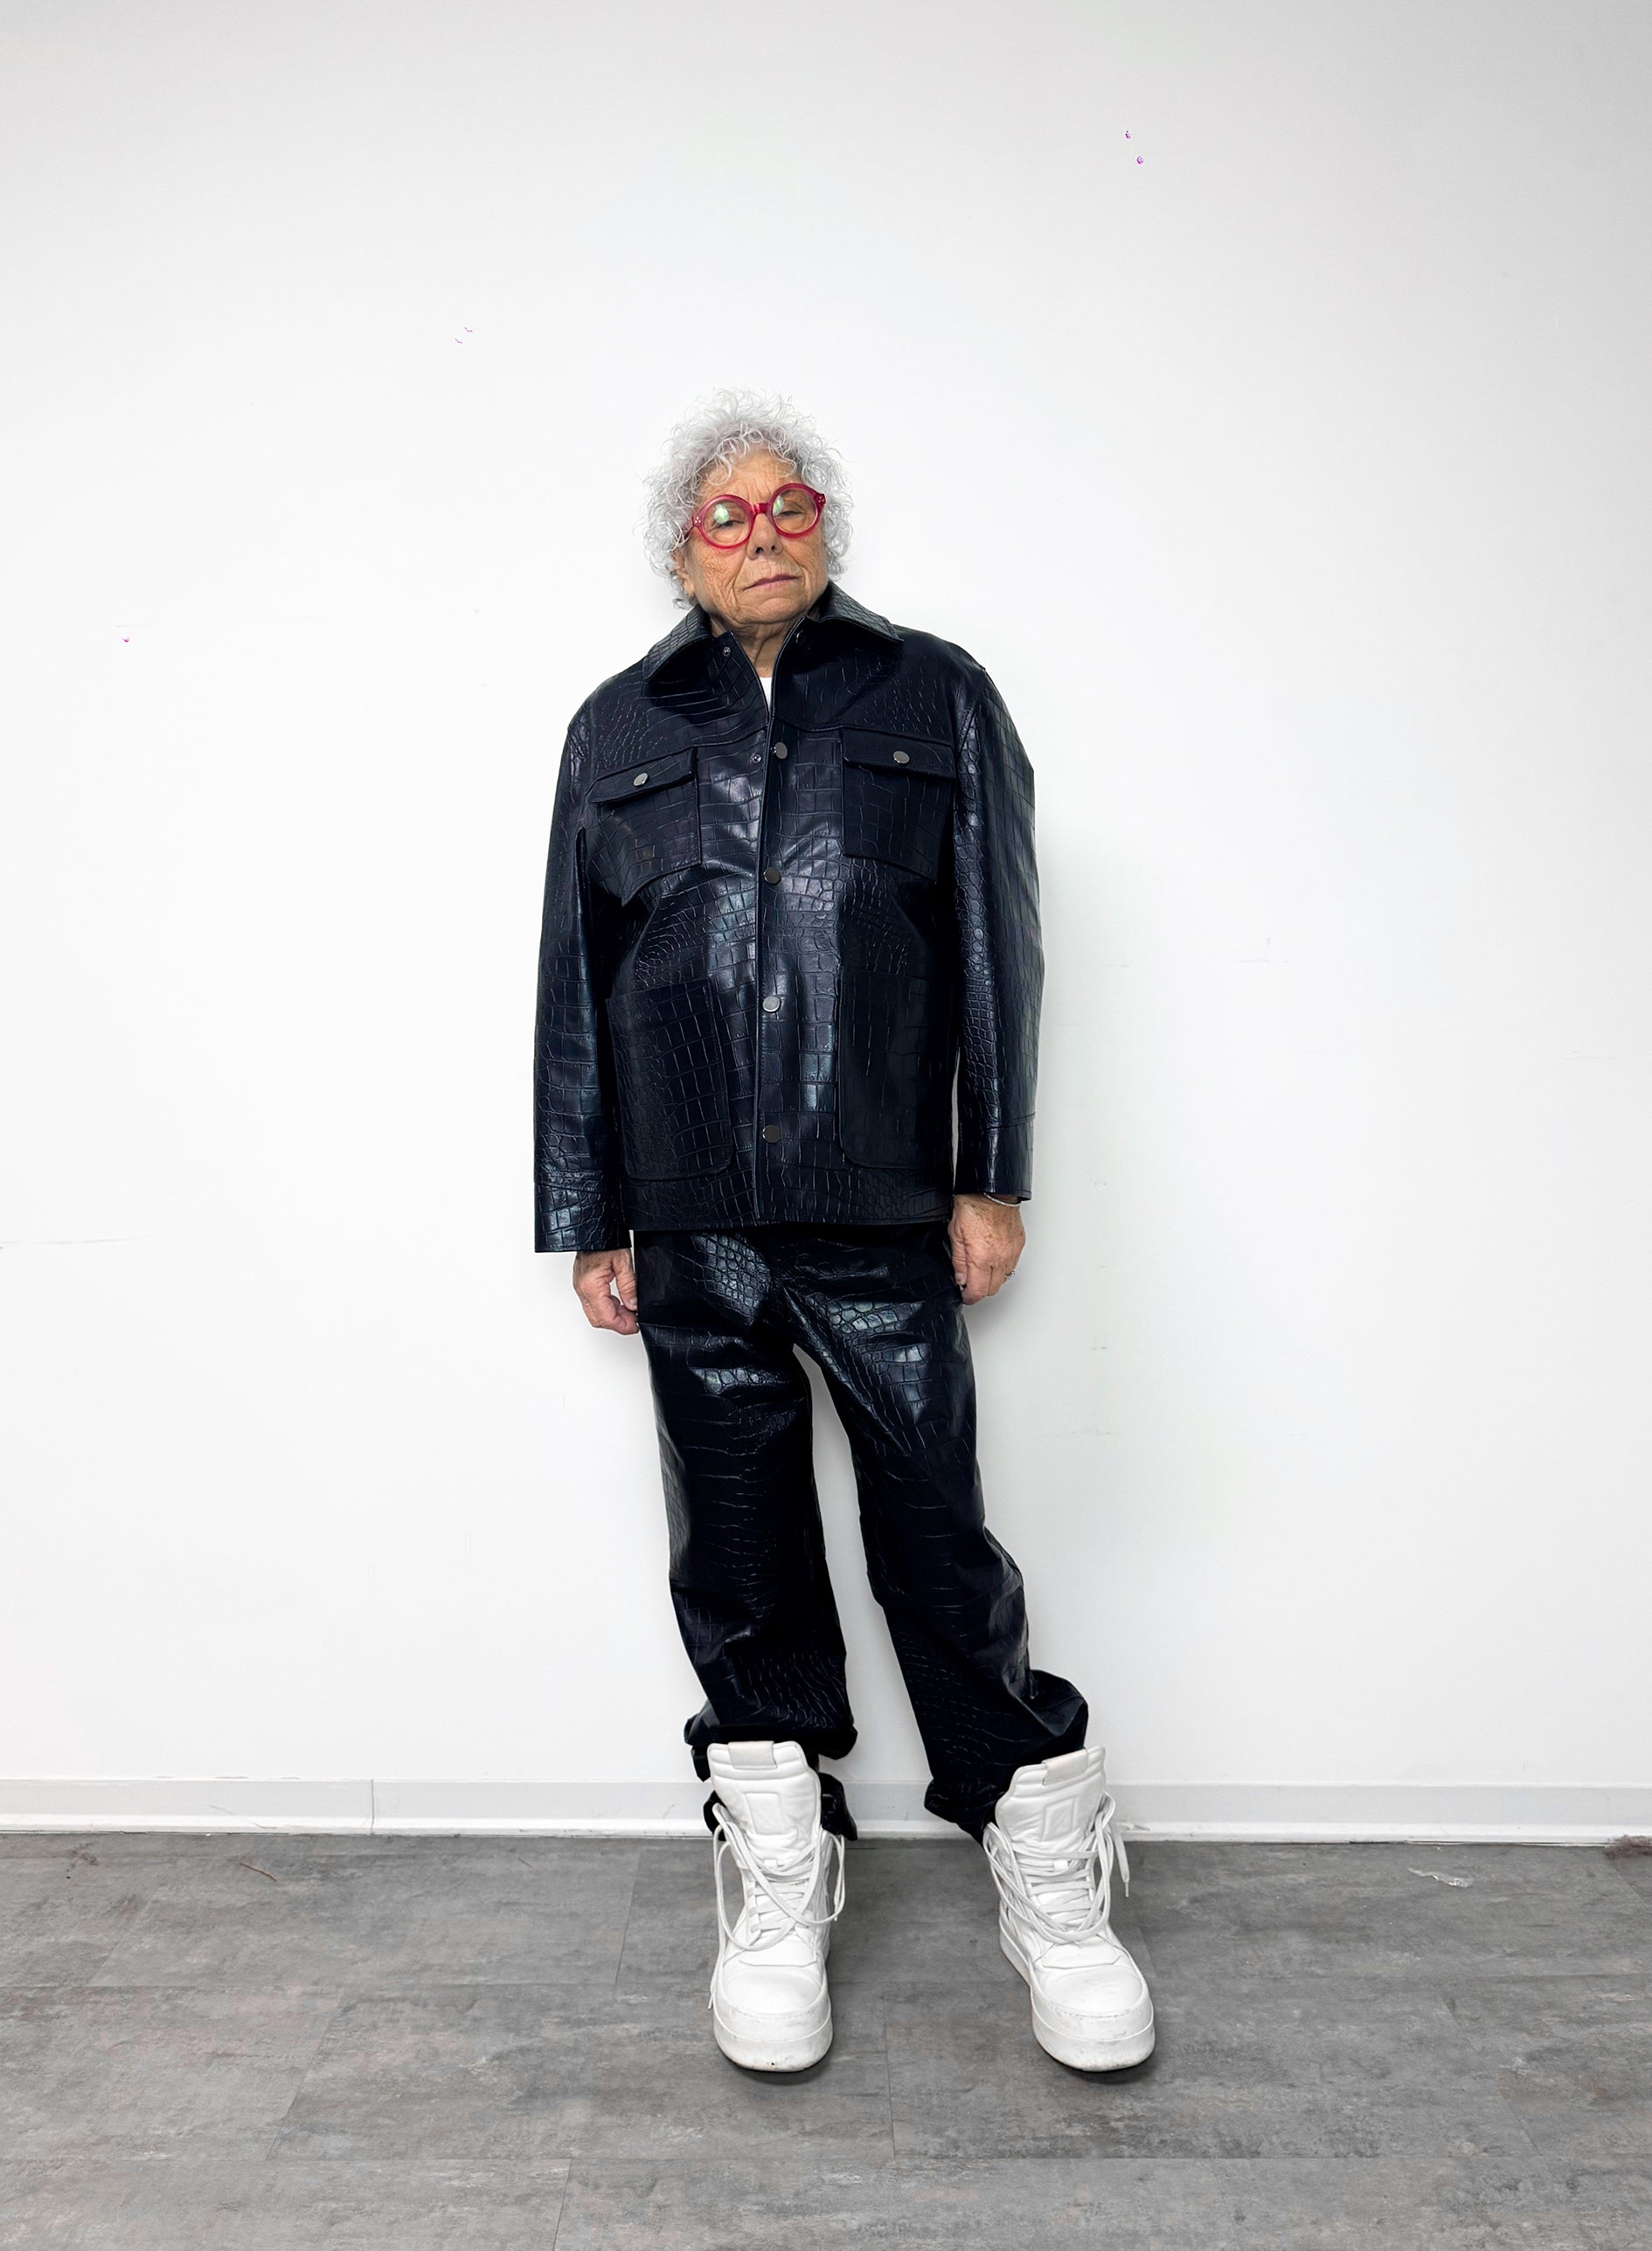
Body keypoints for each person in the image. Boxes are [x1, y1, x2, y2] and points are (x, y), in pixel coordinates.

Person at [534, 391, 1154, 2074]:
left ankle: (1045, 1860)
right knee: (733, 1553)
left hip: (880, 1199)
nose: (763, 534)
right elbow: (576, 983)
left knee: (935, 1539)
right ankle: (777, 1870)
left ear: (826, 526)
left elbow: (998, 950)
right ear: (680, 550)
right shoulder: (614, 726)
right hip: (691, 1219)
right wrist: (589, 1214)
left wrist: (989, 1176)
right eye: (726, 516)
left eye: (789, 505)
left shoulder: (930, 694)